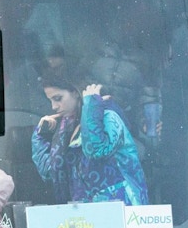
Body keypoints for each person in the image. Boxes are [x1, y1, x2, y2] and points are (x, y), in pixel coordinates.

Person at [31, 73, 149, 205]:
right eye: (50, 100)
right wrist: (40, 136)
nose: (54, 106)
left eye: (58, 98)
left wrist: (91, 106)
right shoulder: (66, 127)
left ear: (76, 92)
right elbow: (51, 173)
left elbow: (96, 150)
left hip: (121, 206)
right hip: (86, 213)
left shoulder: (108, 116)